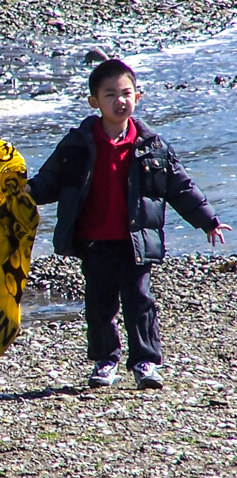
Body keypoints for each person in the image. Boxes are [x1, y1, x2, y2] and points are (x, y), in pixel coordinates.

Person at [26, 59, 231, 390]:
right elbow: (51, 180)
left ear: (138, 95)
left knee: (140, 302)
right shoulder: (77, 144)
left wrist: (207, 221)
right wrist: (27, 191)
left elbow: (180, 186)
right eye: (110, 95)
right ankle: (105, 360)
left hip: (137, 239)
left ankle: (145, 362)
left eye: (126, 93)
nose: (119, 101)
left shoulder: (152, 145)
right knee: (99, 304)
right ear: (94, 102)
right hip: (94, 240)